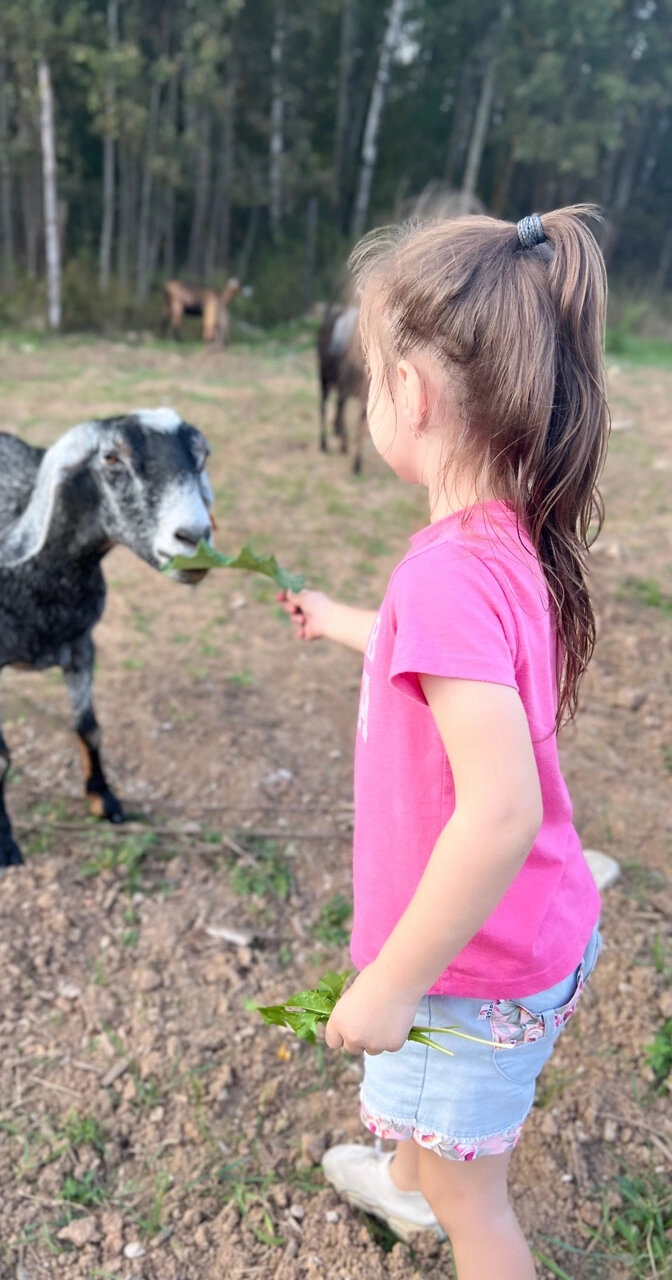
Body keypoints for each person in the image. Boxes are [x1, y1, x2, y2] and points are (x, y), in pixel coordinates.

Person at [278, 207, 608, 1278]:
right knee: (439, 1144)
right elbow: (450, 669)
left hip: (469, 976)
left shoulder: (445, 573)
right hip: (524, 943)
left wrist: (392, 982)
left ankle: (434, 1191)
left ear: (410, 396)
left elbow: (501, 808)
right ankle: (411, 1173)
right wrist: (343, 625)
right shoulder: (505, 540)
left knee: (483, 1211)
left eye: (375, 375)